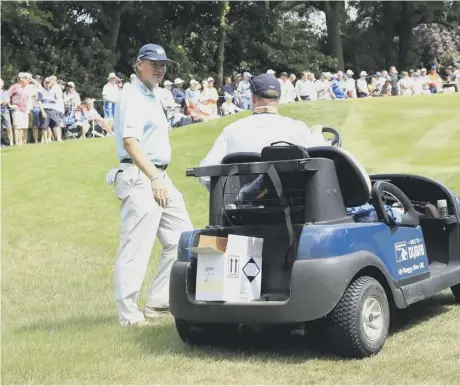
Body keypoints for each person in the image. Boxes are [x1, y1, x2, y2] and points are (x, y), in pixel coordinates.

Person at [109, 43, 194, 326]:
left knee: (181, 237)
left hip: (158, 175)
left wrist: (159, 177)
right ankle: (128, 314)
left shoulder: (152, 95)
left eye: (163, 65)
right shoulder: (132, 94)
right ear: (138, 64)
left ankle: (159, 301)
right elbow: (130, 142)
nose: (160, 69)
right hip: (141, 175)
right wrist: (154, 177)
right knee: (137, 246)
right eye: (154, 63)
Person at [199, 73, 337, 189]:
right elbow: (324, 162)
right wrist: (317, 134)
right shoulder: (298, 129)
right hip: (294, 214)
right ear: (278, 99)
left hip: (241, 215)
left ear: (253, 98)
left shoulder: (231, 131)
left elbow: (205, 174)